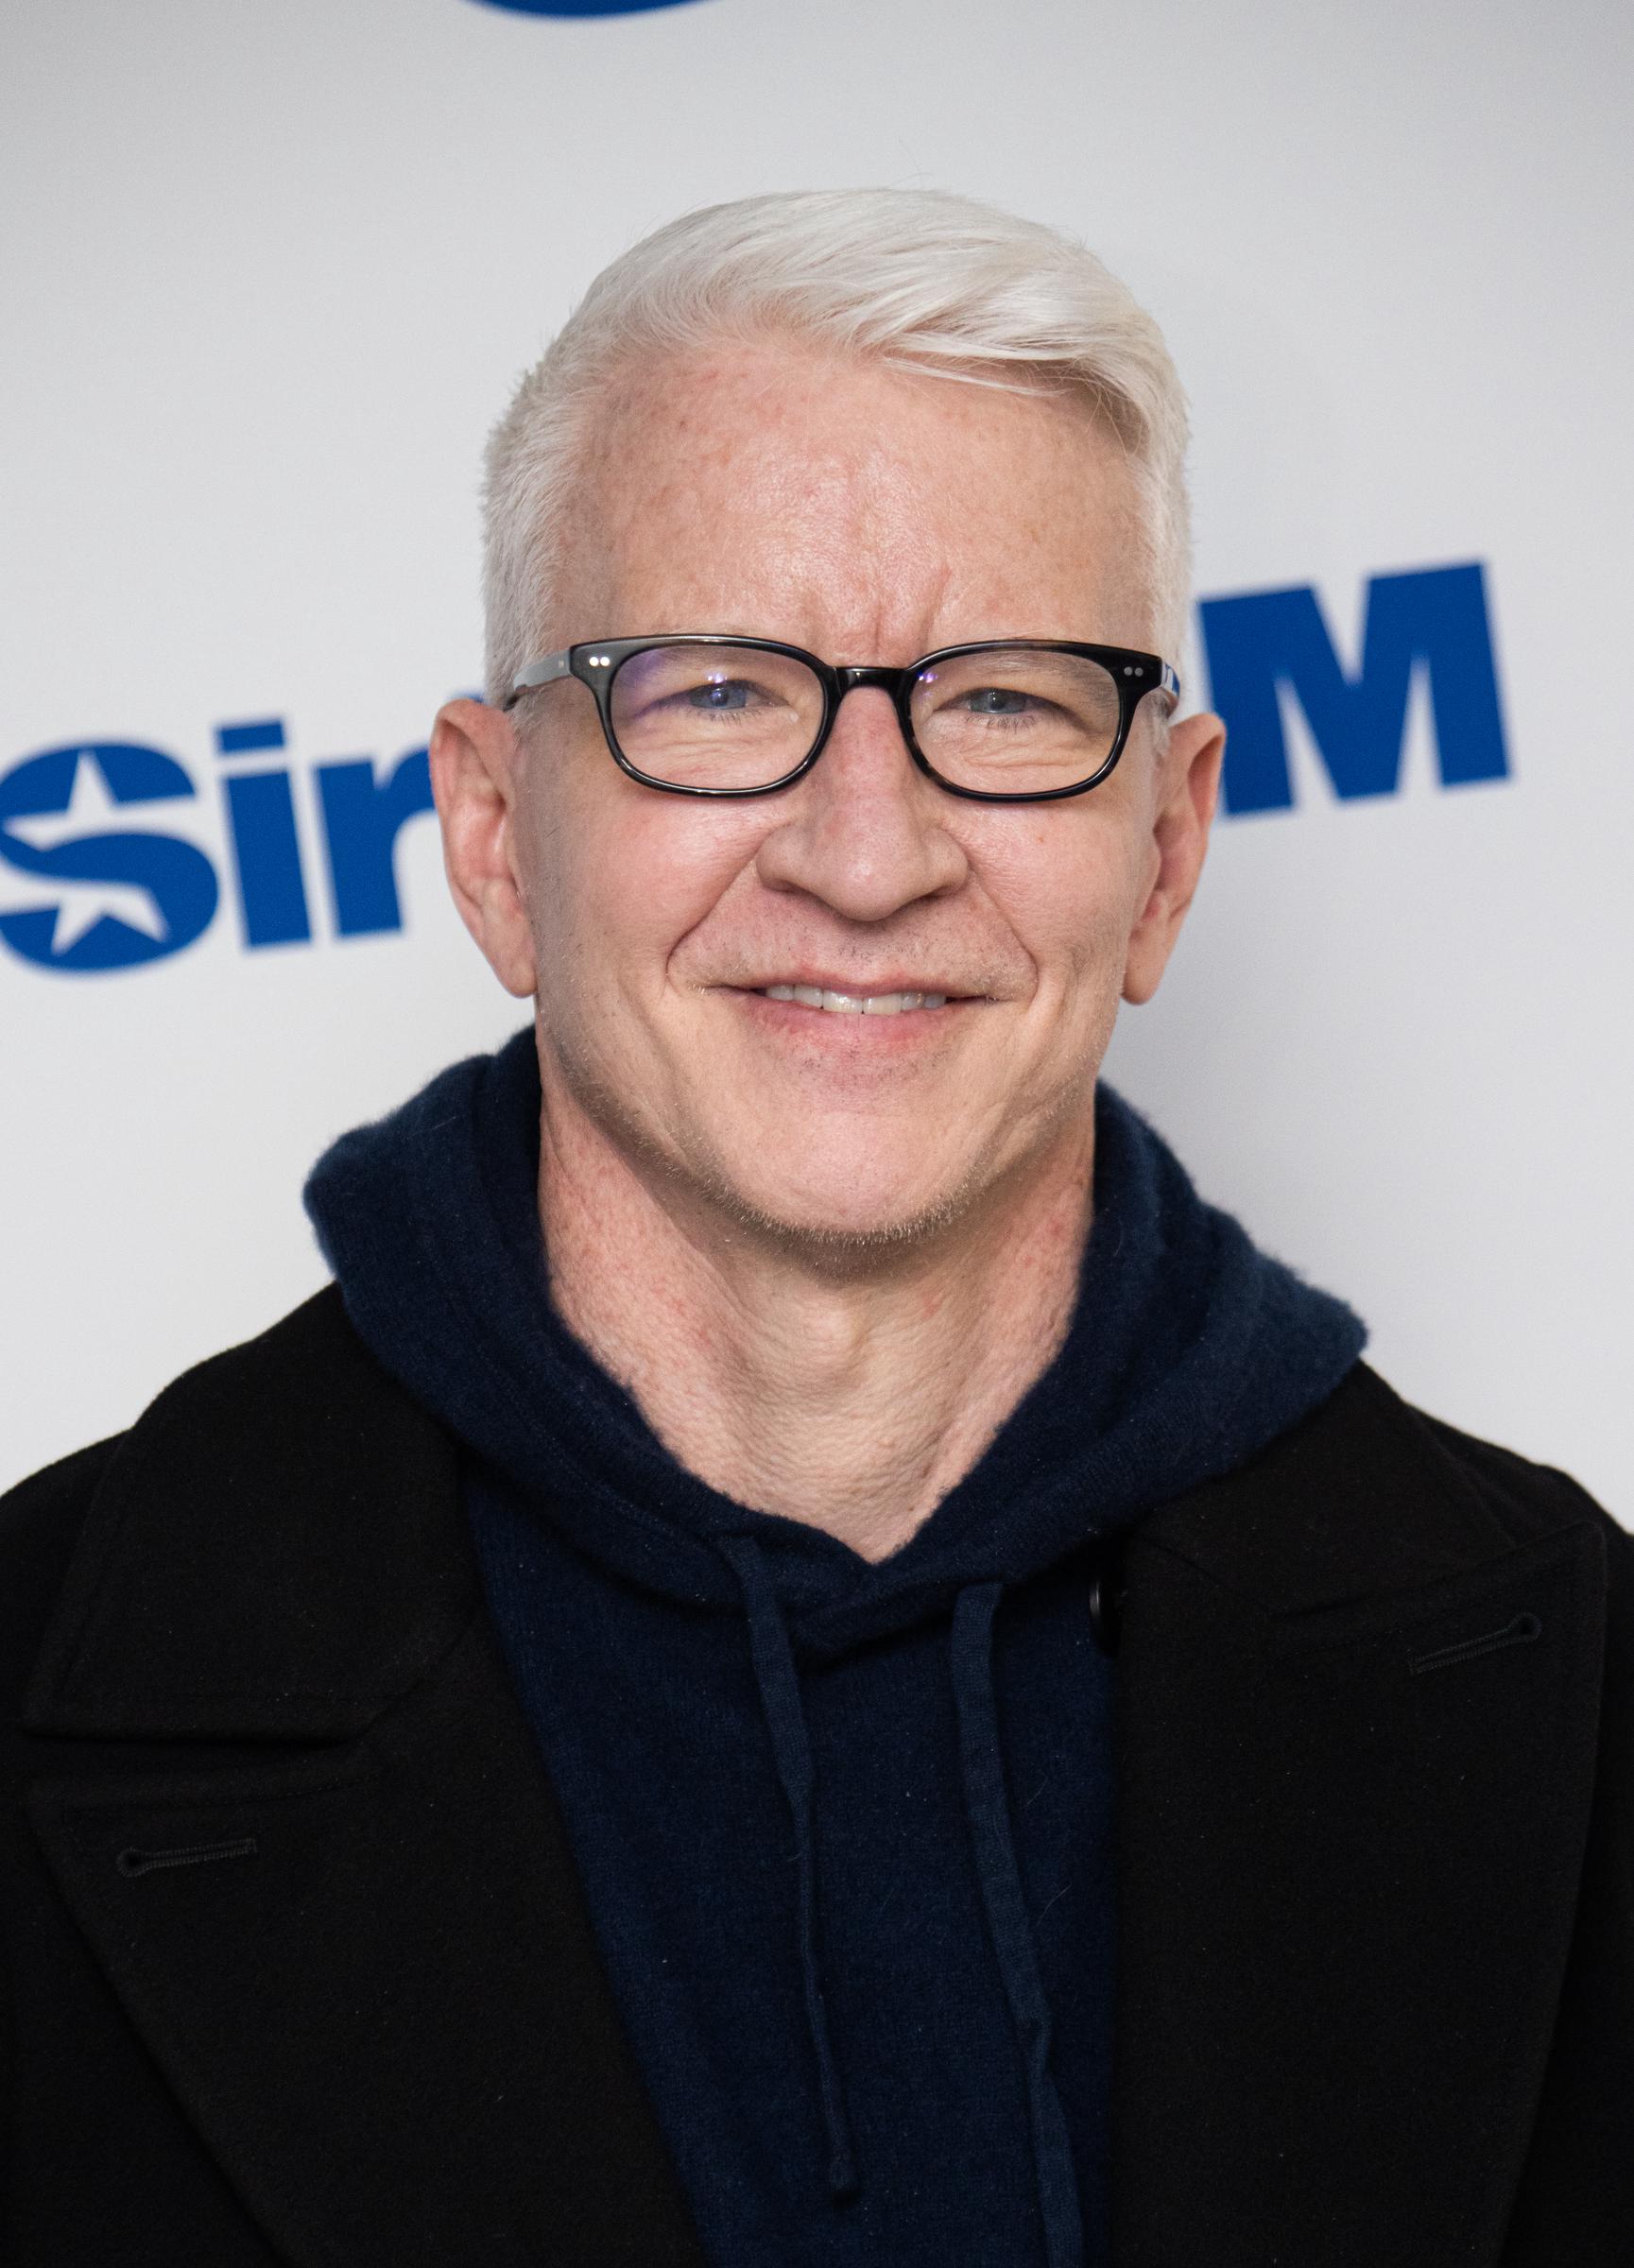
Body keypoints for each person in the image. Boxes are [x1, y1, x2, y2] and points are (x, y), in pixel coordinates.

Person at [1, 188, 1628, 2268]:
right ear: (496, 835)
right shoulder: (45, 1668)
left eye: (1014, 703)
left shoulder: (1579, 1689)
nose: (867, 857)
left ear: (1165, 847)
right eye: (713, 692)